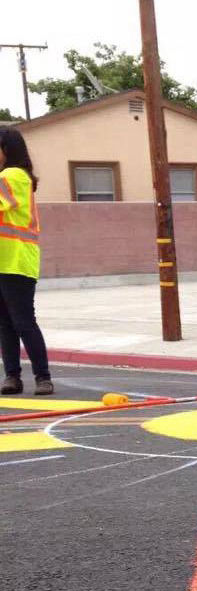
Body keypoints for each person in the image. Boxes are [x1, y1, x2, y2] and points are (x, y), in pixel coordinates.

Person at [0, 127, 52, 395]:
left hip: (16, 260)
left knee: (22, 320)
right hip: (5, 261)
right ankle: (12, 376)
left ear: (7, 149)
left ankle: (42, 377)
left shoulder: (13, 175)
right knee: (5, 323)